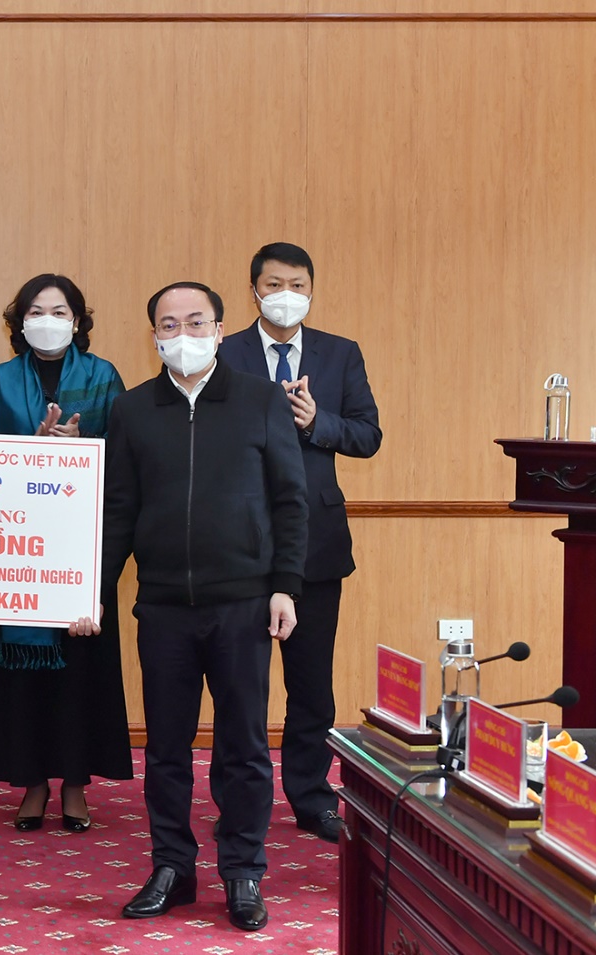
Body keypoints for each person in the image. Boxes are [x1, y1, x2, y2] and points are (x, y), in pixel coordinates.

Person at [75, 282, 307, 932]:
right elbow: (119, 510)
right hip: (164, 609)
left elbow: (291, 500)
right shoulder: (133, 410)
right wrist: (94, 590)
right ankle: (172, 866)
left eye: (196, 322)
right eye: (169, 324)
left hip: (244, 604)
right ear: (154, 335)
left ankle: (243, 870)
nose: (183, 334)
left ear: (220, 328)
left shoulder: (261, 400)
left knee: (245, 747)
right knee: (166, 750)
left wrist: (285, 584)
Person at [214, 242, 381, 843]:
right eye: (273, 284)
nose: (286, 295)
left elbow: (368, 435)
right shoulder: (223, 352)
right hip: (238, 544)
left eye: (298, 285)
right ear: (253, 290)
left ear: (311, 290)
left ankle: (311, 797)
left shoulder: (340, 353)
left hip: (316, 542)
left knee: (311, 685)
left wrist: (318, 422)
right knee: (238, 687)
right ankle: (237, 803)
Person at [0, 273, 132, 833]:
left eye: (59, 311)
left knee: (80, 671)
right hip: (15, 547)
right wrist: (30, 453)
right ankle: (33, 782)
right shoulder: (1, 380)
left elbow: (127, 458)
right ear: (19, 322)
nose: (47, 320)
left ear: (78, 320)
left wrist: (81, 450)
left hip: (81, 546)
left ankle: (76, 784)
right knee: (22, 680)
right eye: (36, 311)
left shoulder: (103, 376)